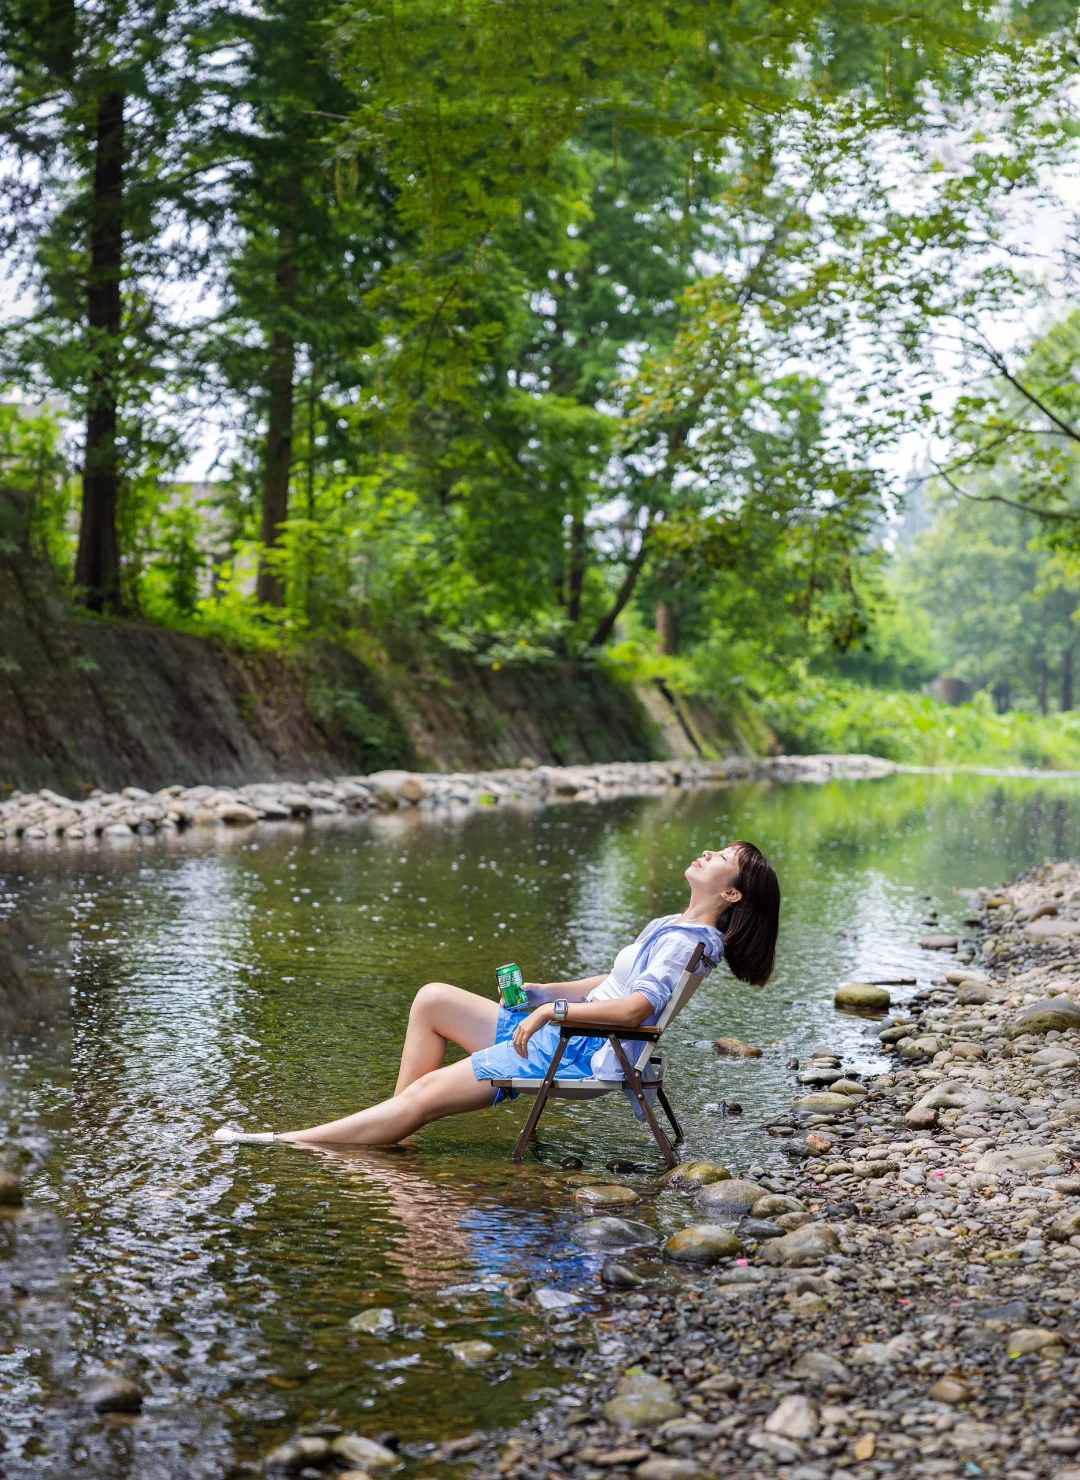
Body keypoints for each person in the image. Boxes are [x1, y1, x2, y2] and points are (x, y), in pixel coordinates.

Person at [213, 840, 780, 1148]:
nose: (705, 852)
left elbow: (635, 1010)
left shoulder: (688, 942)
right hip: (565, 1029)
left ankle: (289, 1141)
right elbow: (610, 985)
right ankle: (394, 1124)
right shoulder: (674, 926)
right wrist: (540, 994)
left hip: (580, 1048)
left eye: (721, 858)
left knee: (432, 1088)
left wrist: (555, 1013)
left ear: (731, 893)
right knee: (433, 999)